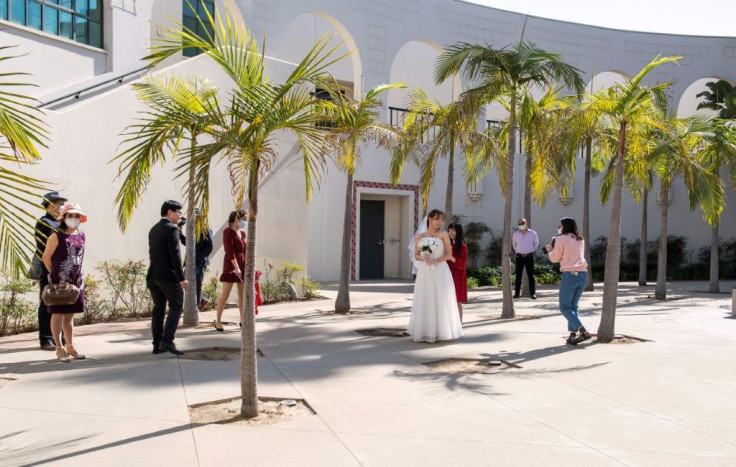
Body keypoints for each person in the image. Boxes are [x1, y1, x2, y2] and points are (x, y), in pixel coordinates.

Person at [407, 209, 463, 343]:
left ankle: (441, 331)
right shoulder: (420, 237)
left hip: (440, 270)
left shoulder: (443, 235)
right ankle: (426, 331)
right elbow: (415, 255)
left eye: (441, 220)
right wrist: (422, 256)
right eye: (437, 219)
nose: (440, 222)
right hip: (425, 272)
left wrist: (435, 261)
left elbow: (449, 255)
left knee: (440, 298)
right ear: (430, 219)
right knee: (426, 298)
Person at [42, 202, 87, 362]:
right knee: (57, 314)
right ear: (64, 217)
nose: (74, 218)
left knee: (69, 316)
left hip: (76, 281)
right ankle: (59, 349)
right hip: (59, 281)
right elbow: (46, 257)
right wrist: (54, 274)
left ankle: (70, 346)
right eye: (70, 215)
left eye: (77, 216)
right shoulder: (56, 235)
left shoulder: (81, 236)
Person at [147, 200, 188, 355]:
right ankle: (167, 341)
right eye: (178, 212)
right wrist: (181, 278)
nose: (179, 216)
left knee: (158, 309)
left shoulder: (154, 229)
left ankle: (157, 344)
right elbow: (175, 257)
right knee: (176, 306)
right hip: (168, 277)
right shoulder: (171, 229)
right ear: (170, 212)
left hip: (153, 277)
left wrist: (180, 231)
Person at [544, 217, 592, 346]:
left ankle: (583, 331)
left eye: (560, 225)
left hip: (570, 275)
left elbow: (555, 258)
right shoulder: (580, 239)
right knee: (573, 306)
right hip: (583, 274)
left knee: (564, 307)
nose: (559, 227)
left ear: (564, 226)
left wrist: (550, 250)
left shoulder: (560, 239)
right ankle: (572, 334)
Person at [34, 191, 67, 351]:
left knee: (60, 303)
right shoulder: (44, 222)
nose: (61, 207)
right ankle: (46, 339)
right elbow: (43, 250)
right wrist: (51, 269)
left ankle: (59, 337)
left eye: (62, 204)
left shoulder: (58, 222)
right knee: (47, 303)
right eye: (59, 204)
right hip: (49, 269)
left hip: (60, 269)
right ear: (50, 205)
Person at [214, 210, 246, 331]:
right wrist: (236, 267)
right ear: (237, 219)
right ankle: (218, 321)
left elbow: (245, 250)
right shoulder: (228, 232)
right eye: (244, 219)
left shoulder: (242, 234)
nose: (245, 222)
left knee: (242, 294)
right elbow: (229, 251)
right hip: (231, 265)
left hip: (242, 264)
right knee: (225, 295)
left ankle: (243, 320)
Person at [512, 217, 539, 299]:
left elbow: (536, 244)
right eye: (519, 224)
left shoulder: (533, 233)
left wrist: (530, 251)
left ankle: (532, 294)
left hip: (529, 256)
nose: (521, 225)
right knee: (518, 276)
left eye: (522, 223)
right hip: (519, 257)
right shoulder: (515, 234)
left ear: (526, 223)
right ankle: (517, 293)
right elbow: (514, 246)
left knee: (531, 276)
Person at [447, 223, 468, 323]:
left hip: (457, 275)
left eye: (453, 231)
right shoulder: (447, 244)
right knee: (447, 300)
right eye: (449, 230)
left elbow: (463, 264)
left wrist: (452, 258)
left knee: (457, 301)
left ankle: (459, 323)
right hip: (447, 274)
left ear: (458, 232)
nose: (451, 233)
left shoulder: (462, 246)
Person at [194, 221, 214, 312]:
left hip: (199, 262)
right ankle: (202, 300)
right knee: (191, 284)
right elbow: (188, 243)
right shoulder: (195, 230)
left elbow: (210, 246)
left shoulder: (206, 230)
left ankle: (198, 305)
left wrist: (199, 257)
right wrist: (180, 234)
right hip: (192, 262)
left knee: (197, 284)